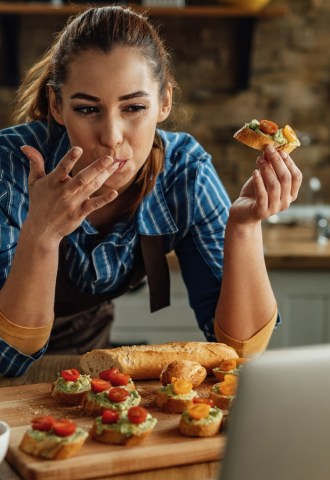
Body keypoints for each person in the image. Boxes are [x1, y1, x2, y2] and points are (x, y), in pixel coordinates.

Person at [0, 5, 302, 377]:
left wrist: (243, 228)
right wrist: (40, 236)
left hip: (84, 357)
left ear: (165, 102)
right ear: (57, 106)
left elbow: (238, 351)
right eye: (87, 109)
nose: (111, 137)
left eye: (134, 107)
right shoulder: (10, 169)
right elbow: (6, 357)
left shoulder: (185, 173)